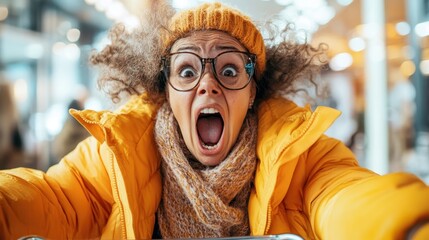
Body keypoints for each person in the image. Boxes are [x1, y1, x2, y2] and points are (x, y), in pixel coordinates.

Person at [0, 1, 428, 239]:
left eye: (228, 70)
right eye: (187, 71)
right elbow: (51, 198)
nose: (208, 85)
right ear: (164, 88)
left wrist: (407, 223)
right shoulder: (114, 158)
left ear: (253, 90)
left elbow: (345, 197)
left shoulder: (303, 159)